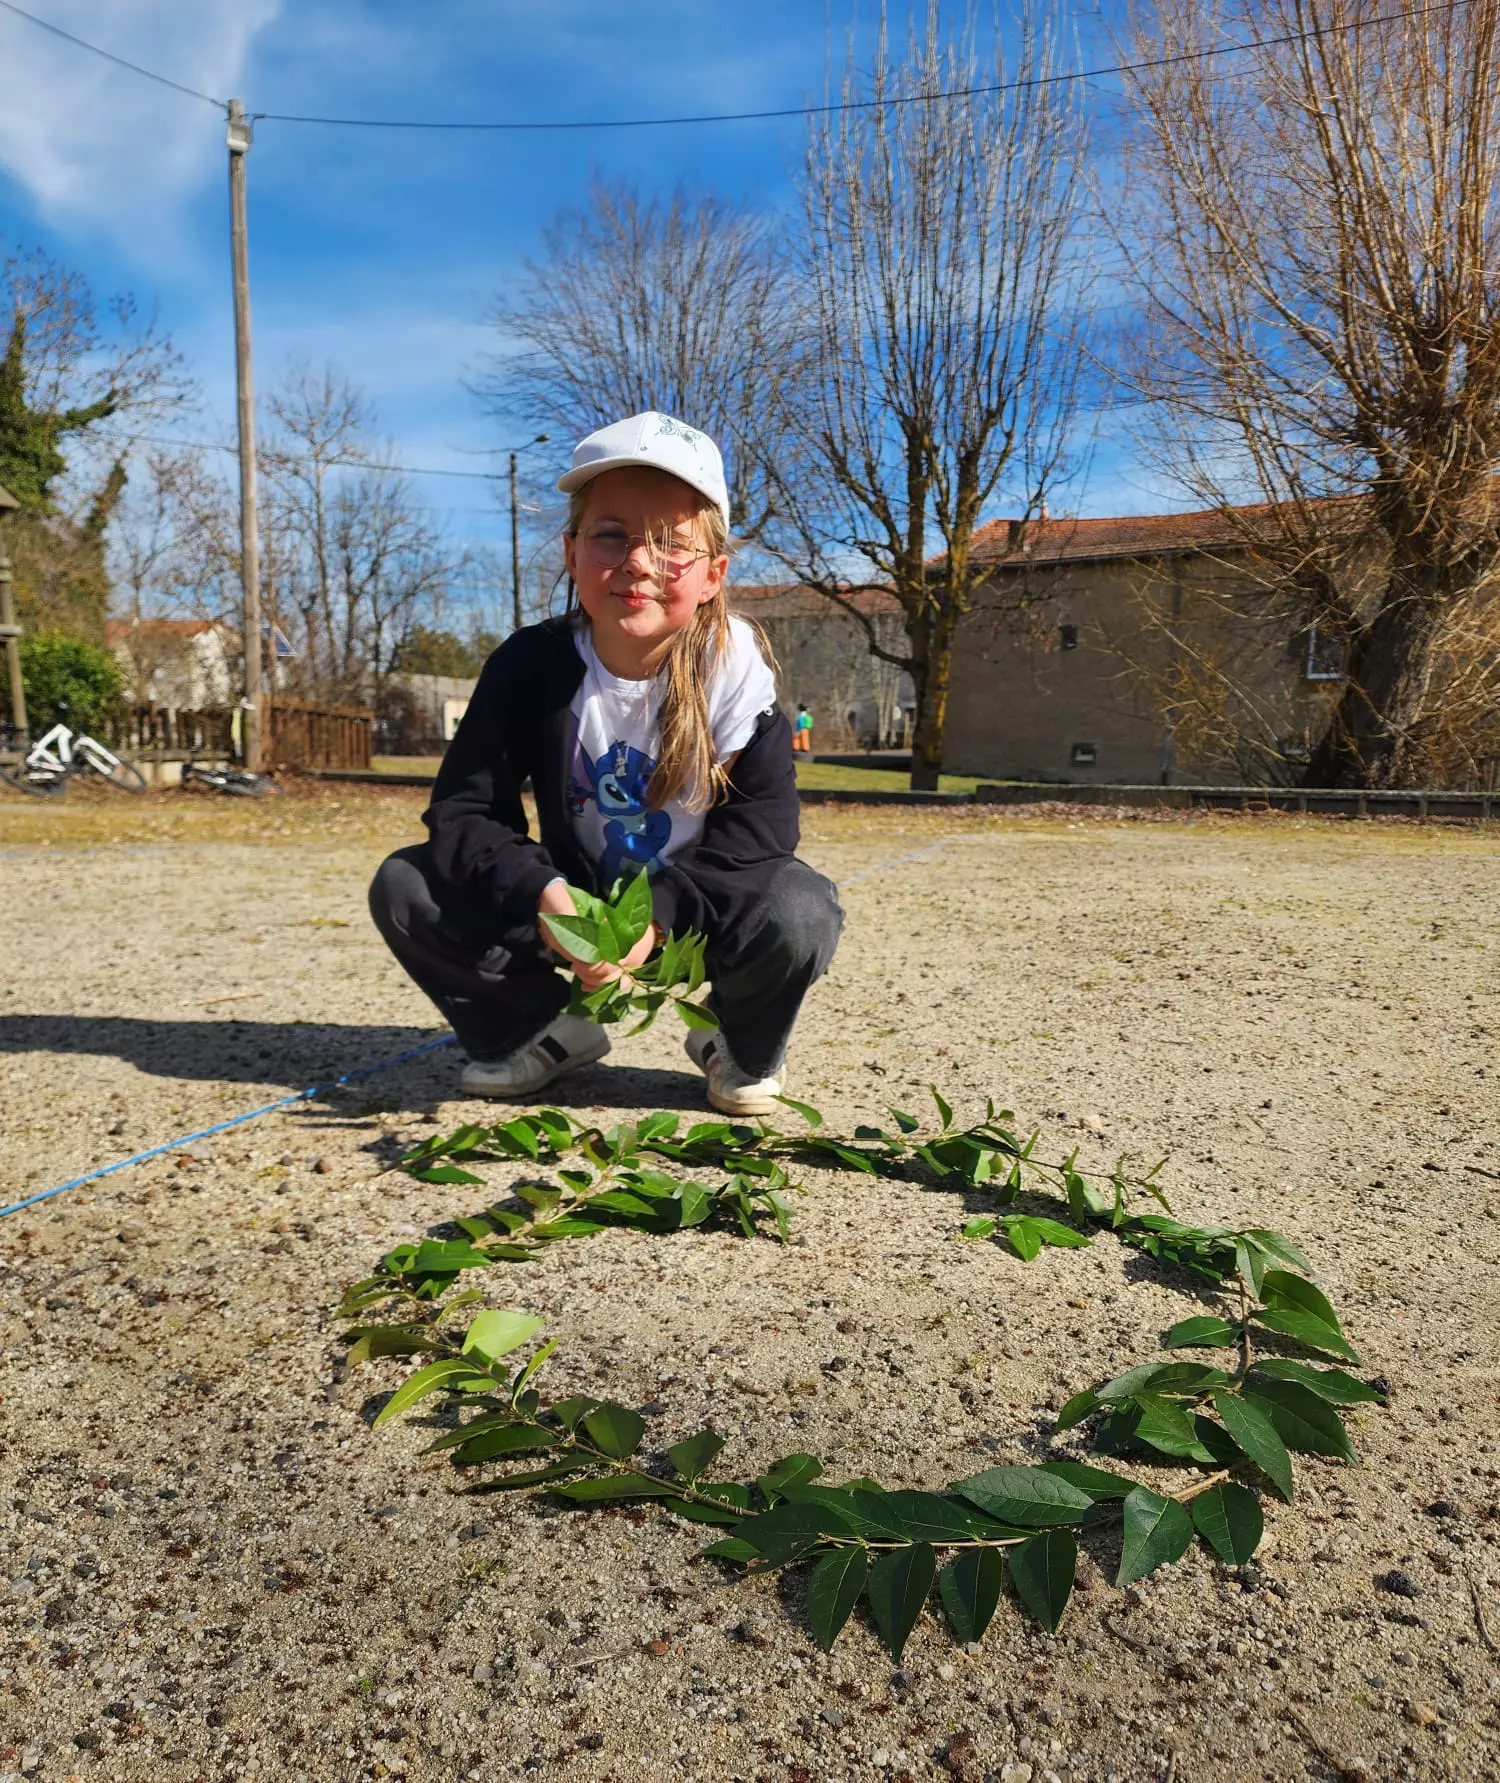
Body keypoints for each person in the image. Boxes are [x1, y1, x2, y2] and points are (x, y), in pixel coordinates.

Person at [369, 411, 844, 1117]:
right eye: (612, 535)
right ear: (571, 550)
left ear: (714, 573)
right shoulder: (529, 666)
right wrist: (545, 895)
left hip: (694, 918)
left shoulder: (739, 679)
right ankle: (543, 1026)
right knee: (406, 884)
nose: (639, 561)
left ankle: (734, 1042)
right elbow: (464, 812)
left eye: (672, 544)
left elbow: (761, 839)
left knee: (801, 908)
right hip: (577, 910)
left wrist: (656, 917)